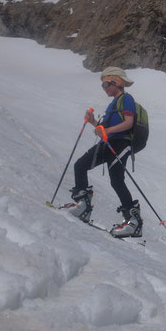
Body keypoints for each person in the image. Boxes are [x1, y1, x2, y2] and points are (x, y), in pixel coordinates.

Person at [67, 67, 142, 238]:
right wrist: (94, 122)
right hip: (110, 142)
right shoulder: (112, 104)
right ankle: (84, 207)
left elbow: (129, 123)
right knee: (87, 168)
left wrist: (106, 132)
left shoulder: (126, 98)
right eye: (103, 85)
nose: (105, 88)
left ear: (118, 82)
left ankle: (132, 222)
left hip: (121, 143)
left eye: (107, 83)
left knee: (110, 178)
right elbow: (106, 129)